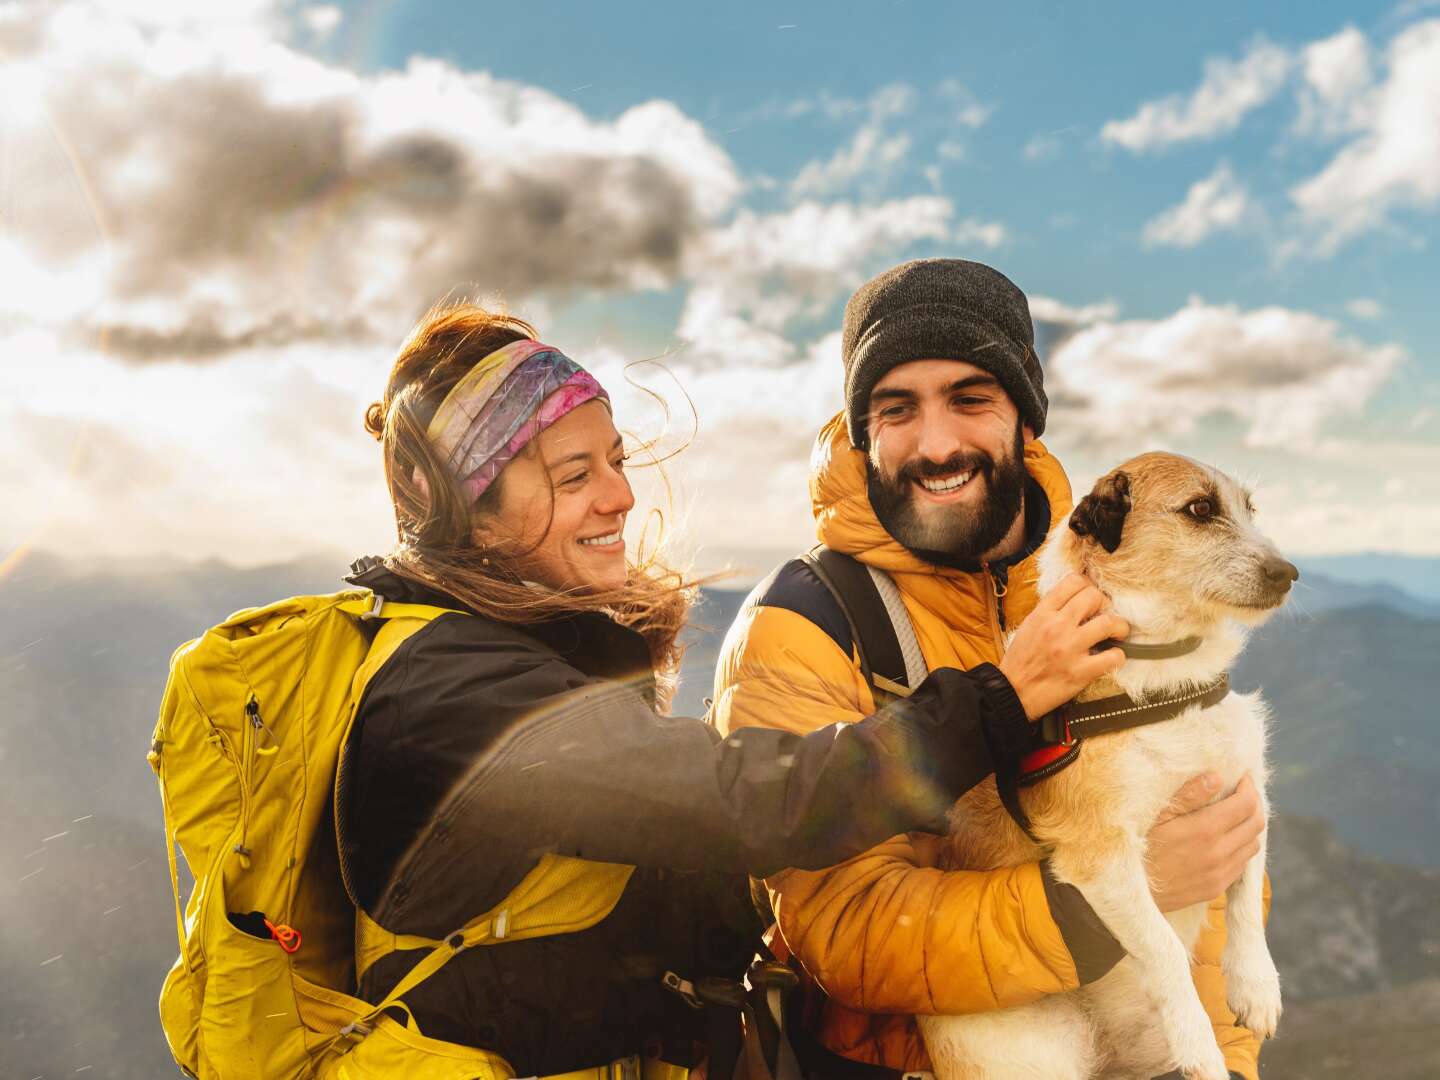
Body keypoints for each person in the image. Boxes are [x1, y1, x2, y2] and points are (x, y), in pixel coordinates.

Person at [335, 301, 1116, 1079]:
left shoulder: (529, 658)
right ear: (463, 513)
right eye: (576, 476)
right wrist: (1001, 699)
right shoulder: (447, 697)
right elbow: (748, 806)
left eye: (616, 461)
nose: (620, 497)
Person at [711, 259, 1269, 1080]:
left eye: (970, 399)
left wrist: (1221, 1061)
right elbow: (842, 933)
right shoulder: (808, 618)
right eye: (896, 408)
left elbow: (1219, 857)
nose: (937, 444)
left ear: (1024, 420)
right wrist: (1088, 906)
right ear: (863, 432)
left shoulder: (1127, 581)